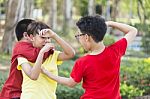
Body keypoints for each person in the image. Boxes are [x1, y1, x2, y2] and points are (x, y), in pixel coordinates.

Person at [41, 15, 137, 99]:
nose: (79, 39)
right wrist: (110, 23)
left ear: (86, 37)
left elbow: (71, 83)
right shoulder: (115, 51)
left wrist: (47, 73)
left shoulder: (83, 62)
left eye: (78, 36)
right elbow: (133, 31)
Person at [16, 21, 75, 99]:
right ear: (31, 37)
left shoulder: (52, 55)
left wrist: (54, 35)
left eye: (48, 38)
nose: (47, 40)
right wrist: (42, 52)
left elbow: (71, 54)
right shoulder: (22, 56)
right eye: (42, 37)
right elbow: (33, 76)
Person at [0, 19, 41, 99]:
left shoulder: (29, 47)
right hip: (13, 93)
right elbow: (35, 55)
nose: (39, 36)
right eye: (37, 33)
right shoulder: (21, 47)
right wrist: (46, 48)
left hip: (21, 93)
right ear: (26, 35)